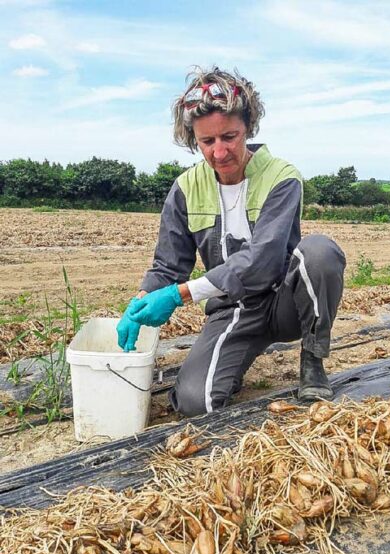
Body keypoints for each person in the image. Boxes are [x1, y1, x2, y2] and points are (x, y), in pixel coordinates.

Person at [117, 66, 346, 417]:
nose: (220, 152)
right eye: (207, 142)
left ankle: (313, 359)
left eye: (230, 137)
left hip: (283, 302)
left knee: (320, 252)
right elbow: (168, 265)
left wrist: (181, 295)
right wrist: (143, 299)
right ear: (194, 140)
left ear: (248, 128)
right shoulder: (185, 189)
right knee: (196, 403)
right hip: (233, 309)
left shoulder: (282, 178)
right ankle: (232, 360)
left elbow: (264, 260)